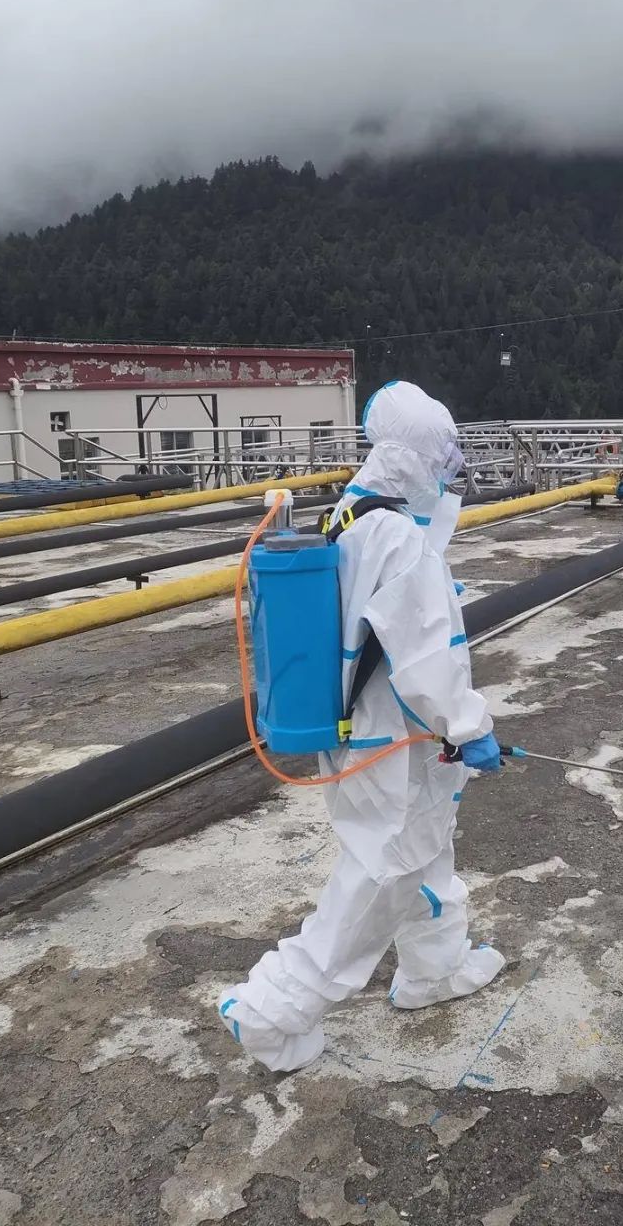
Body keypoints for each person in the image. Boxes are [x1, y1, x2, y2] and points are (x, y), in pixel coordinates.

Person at [217, 380, 505, 1071]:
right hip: (391, 737)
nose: (448, 475)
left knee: (426, 851)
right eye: (441, 460)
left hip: (375, 729)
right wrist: (469, 726)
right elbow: (428, 653)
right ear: (412, 457)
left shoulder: (352, 512)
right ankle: (271, 1010)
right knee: (384, 870)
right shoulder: (398, 538)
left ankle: (434, 969)